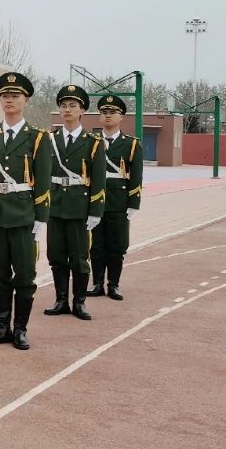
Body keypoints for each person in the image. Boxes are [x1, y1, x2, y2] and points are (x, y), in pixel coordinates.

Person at [0, 72, 51, 351]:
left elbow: (42, 181)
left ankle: (20, 329)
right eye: (5, 95)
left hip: (23, 215)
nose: (9, 100)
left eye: (15, 95)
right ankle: (2, 326)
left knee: (25, 275)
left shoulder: (38, 138)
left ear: (26, 100)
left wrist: (41, 218)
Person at [45, 85, 107, 320]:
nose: (67, 110)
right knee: (57, 257)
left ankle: (79, 302)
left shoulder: (93, 142)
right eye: (63, 105)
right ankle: (61, 300)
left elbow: (98, 180)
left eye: (73, 106)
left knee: (80, 259)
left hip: (80, 209)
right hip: (55, 206)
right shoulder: (49, 140)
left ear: (82, 111)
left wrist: (96, 211)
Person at [87, 94, 144, 301]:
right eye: (104, 112)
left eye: (113, 112)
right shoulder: (91, 142)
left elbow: (136, 176)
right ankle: (97, 284)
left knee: (117, 246)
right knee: (96, 246)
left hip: (119, 202)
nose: (108, 116)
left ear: (121, 117)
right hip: (95, 202)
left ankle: (114, 285)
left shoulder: (131, 144)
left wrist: (133, 203)